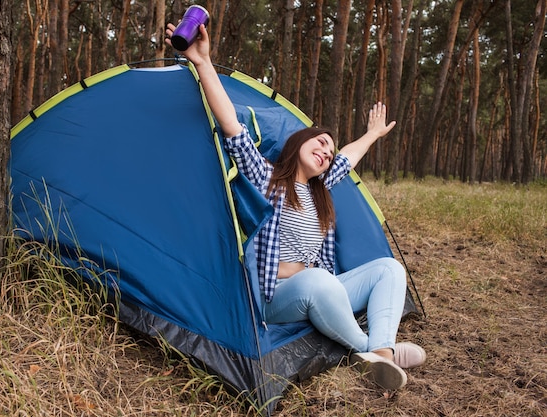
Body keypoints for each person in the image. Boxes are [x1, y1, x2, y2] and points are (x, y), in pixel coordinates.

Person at [165, 22, 425, 390]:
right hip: (280, 296)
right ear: (298, 143)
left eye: (328, 152)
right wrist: (203, 63)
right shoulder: (268, 179)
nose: (326, 151)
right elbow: (232, 127)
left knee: (389, 269)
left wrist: (371, 135)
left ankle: (379, 351)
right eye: (319, 142)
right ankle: (372, 351)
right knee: (319, 280)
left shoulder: (320, 189)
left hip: (324, 290)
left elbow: (348, 158)